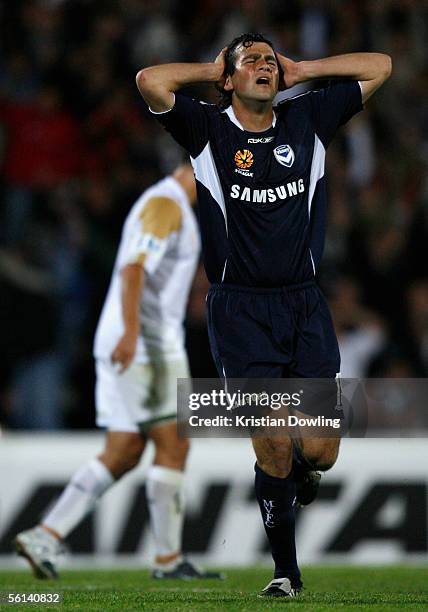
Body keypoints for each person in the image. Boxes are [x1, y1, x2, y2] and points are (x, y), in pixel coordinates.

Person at [136, 33, 391, 597]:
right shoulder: (206, 130)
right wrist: (211, 65)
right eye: (249, 60)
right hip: (240, 312)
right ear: (229, 80)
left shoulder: (309, 118)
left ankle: (301, 475)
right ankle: (287, 574)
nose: (263, 66)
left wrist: (307, 71)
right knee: (272, 441)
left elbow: (381, 65)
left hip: (304, 304)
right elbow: (150, 80)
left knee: (320, 450)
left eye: (269, 60)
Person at [15, 164, 221, 580]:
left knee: (124, 450)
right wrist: (131, 333)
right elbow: (133, 269)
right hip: (146, 344)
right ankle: (167, 560)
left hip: (135, 340)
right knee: (174, 443)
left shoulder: (169, 204)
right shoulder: (166, 204)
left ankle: (45, 534)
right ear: (198, 168)